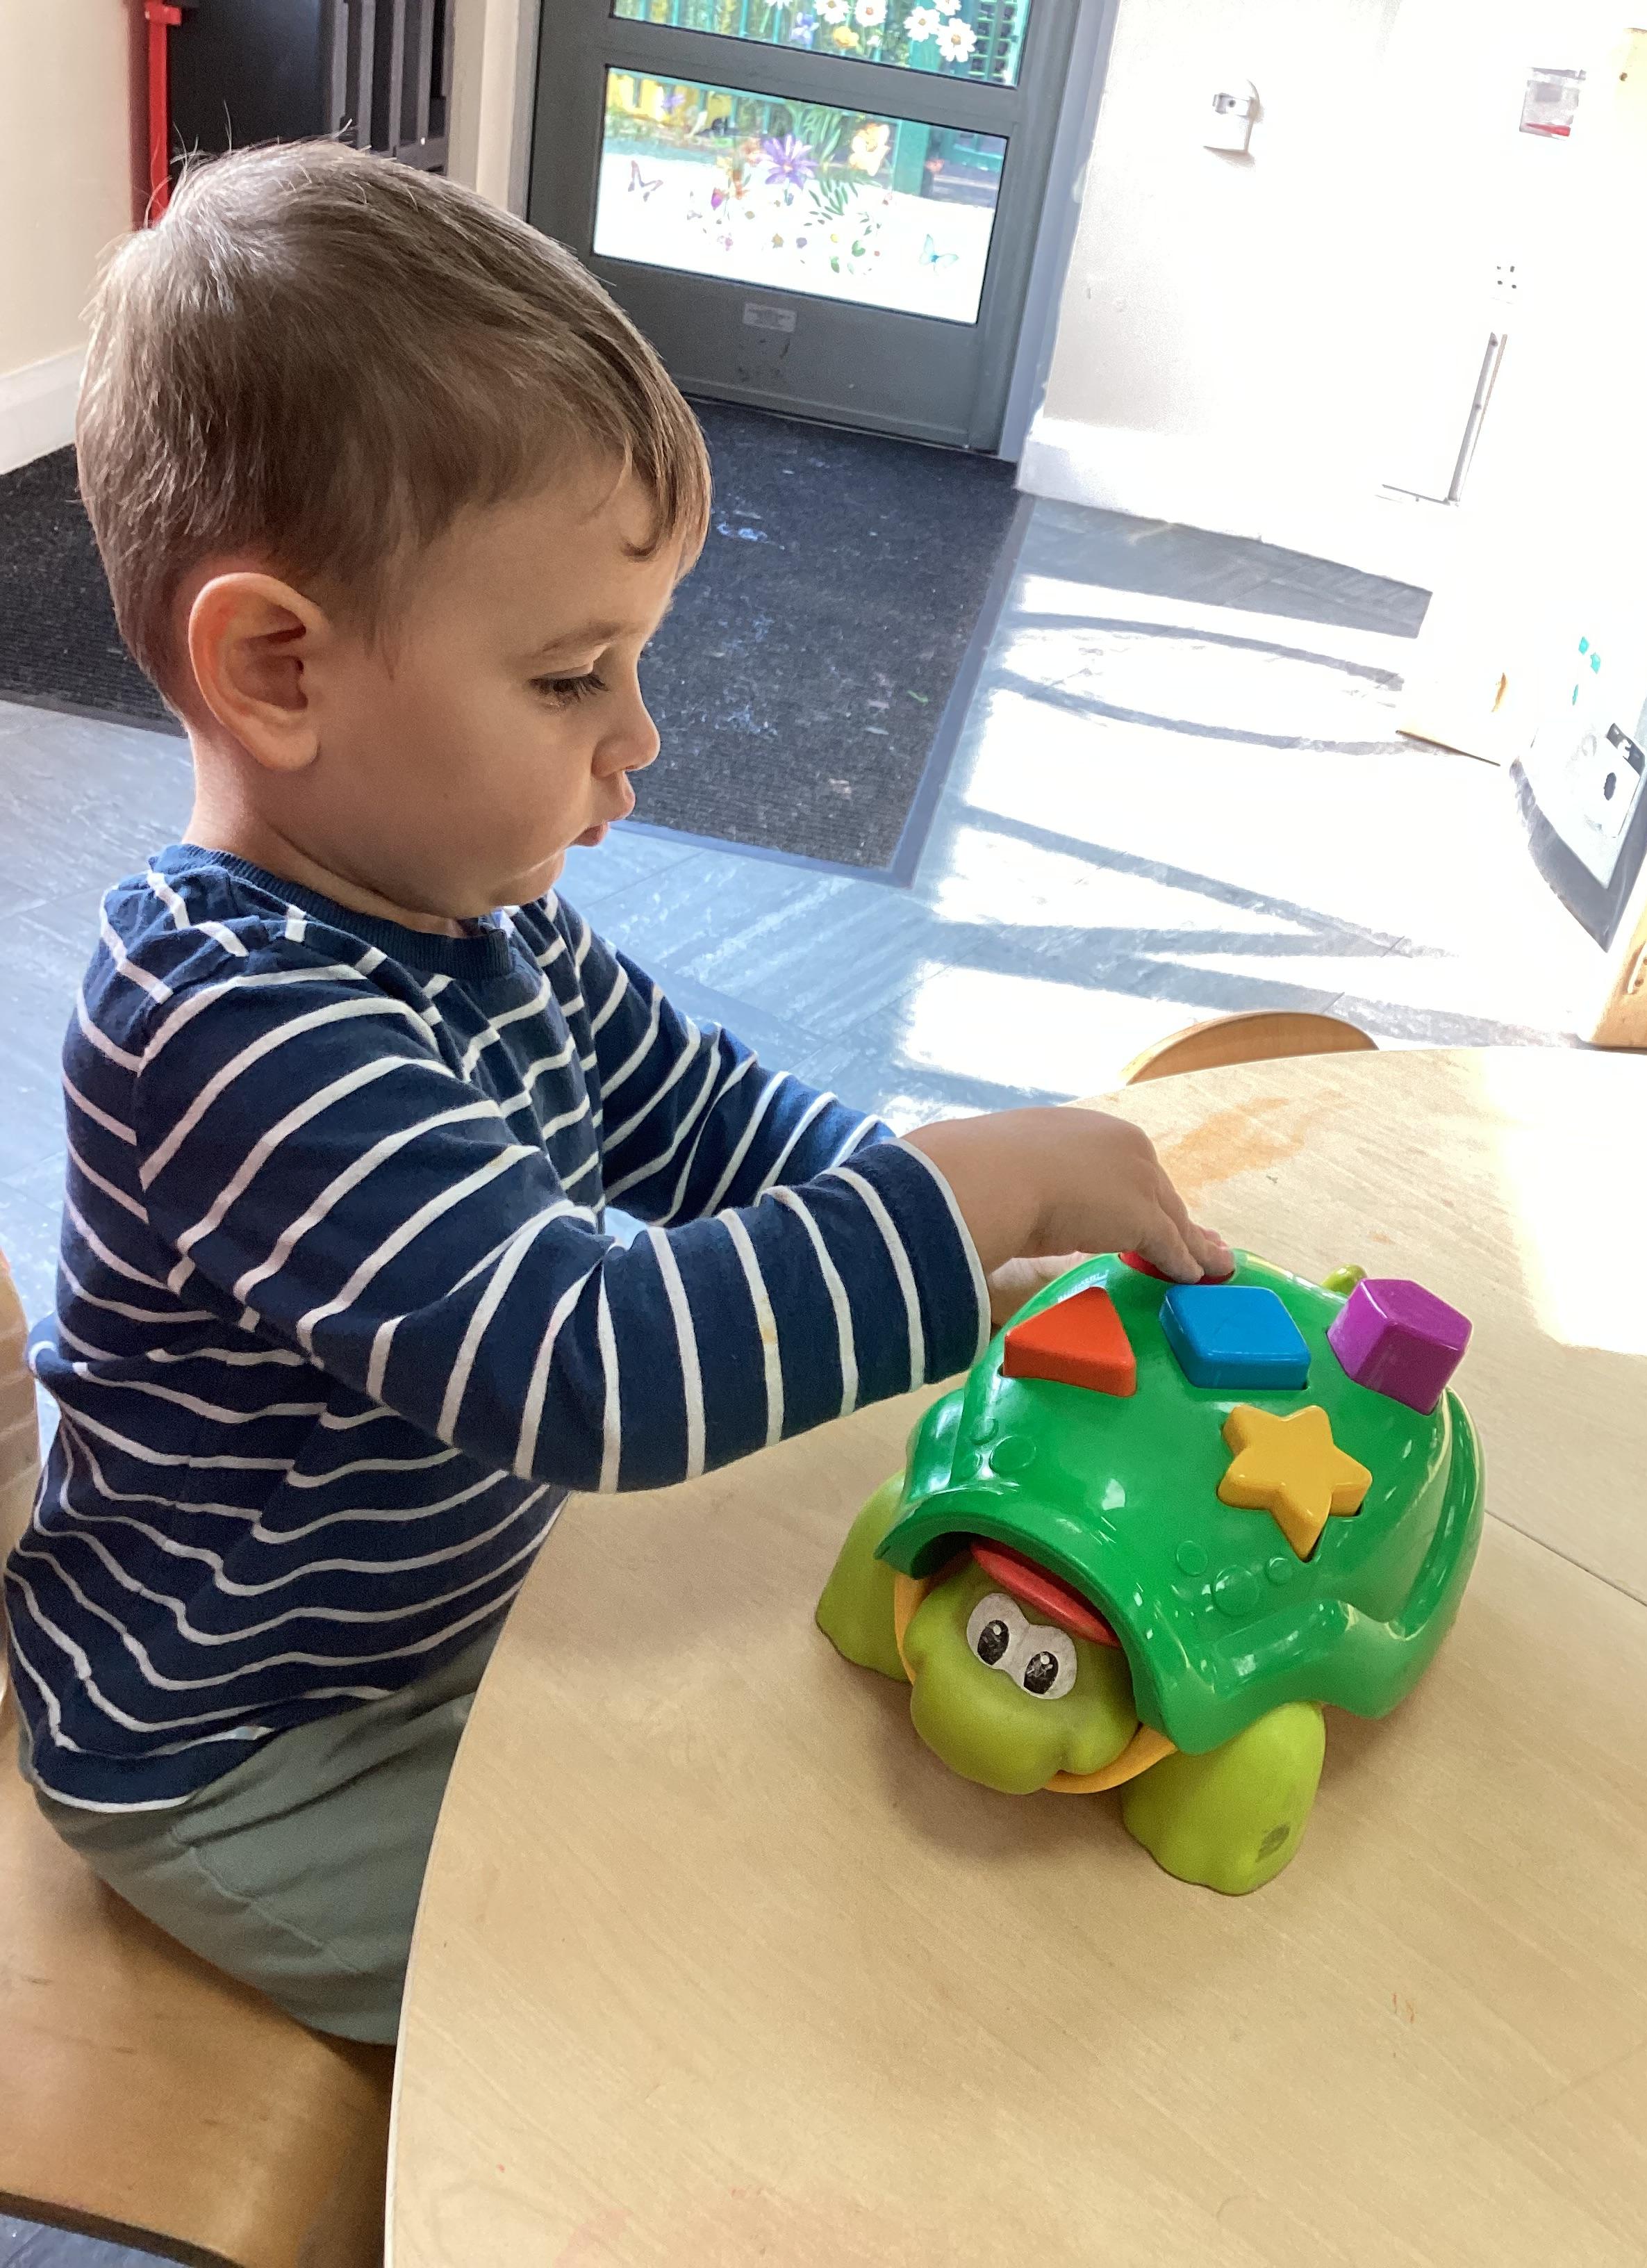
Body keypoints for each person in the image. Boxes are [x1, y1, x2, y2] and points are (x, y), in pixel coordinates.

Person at [7, 142, 1230, 2053]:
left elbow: (707, 1118)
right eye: (573, 677)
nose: (640, 741)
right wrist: (963, 1200)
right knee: (637, 2010)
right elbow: (592, 1365)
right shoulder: (224, 1027)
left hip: (437, 1622)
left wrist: (953, 1242)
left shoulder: (477, 918)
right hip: (248, 1747)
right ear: (275, 670)